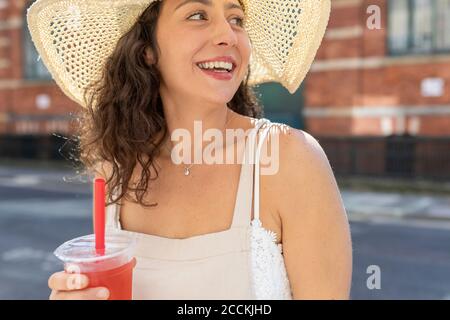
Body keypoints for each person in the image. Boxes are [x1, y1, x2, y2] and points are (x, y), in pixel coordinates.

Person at [27, 0, 352, 299]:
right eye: (198, 14)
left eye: (236, 18)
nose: (228, 35)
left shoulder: (290, 159)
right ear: (147, 50)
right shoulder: (115, 168)